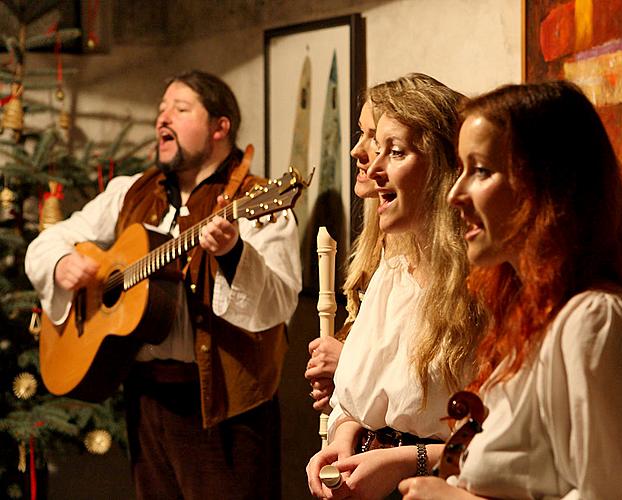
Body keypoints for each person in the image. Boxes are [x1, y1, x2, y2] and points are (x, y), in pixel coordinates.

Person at [398, 81, 622, 499]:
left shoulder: (597, 320)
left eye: (480, 170)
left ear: (546, 184)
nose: (454, 194)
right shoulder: (537, 321)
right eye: (460, 169)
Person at [25, 70, 301, 499]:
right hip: (146, 396)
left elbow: (280, 303)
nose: (162, 119)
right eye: (160, 110)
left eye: (180, 108)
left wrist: (232, 254)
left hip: (223, 410)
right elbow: (50, 238)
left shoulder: (258, 200)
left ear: (219, 127)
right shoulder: (131, 192)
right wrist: (61, 264)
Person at [306, 73, 486, 499]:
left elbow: (499, 443)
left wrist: (410, 459)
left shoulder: (478, 287)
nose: (373, 166)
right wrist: (342, 439)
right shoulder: (395, 267)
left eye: (396, 152)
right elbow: (356, 400)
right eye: (376, 146)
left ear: (443, 168)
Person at [304, 93, 385, 412]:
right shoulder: (375, 241)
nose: (357, 151)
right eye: (360, 134)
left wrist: (346, 362)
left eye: (374, 138)